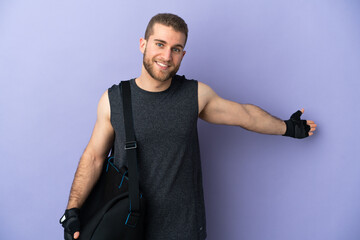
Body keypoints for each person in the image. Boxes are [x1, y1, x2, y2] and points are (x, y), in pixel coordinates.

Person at [60, 13, 317, 240]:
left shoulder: (194, 95)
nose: (166, 56)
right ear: (143, 44)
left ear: (183, 54)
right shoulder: (113, 99)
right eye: (160, 44)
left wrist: (287, 127)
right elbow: (93, 157)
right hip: (126, 227)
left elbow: (245, 115)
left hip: (184, 228)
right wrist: (73, 210)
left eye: (176, 48)